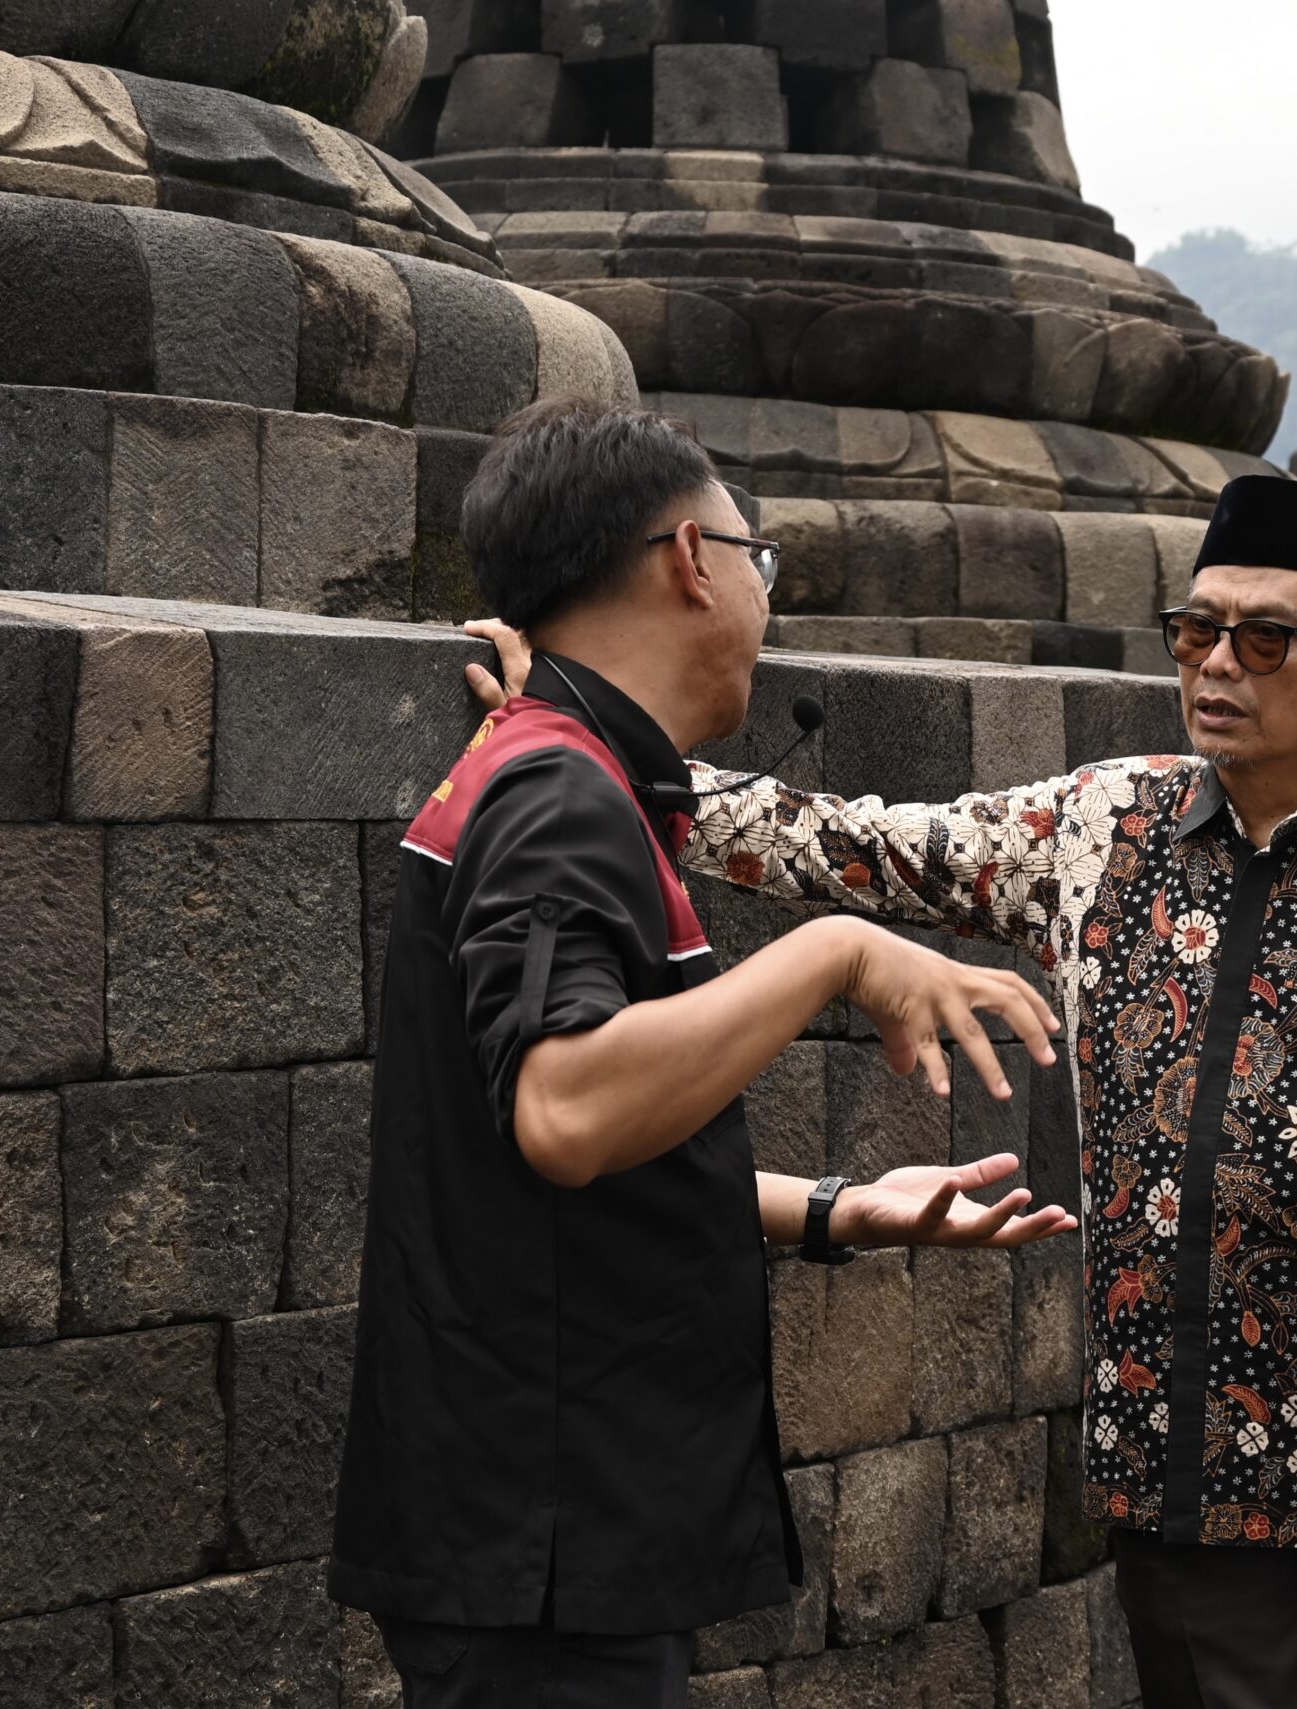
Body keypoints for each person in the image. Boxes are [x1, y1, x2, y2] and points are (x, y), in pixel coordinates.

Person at [474, 472, 1297, 1709]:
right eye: (1196, 630)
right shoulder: (1101, 825)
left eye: (1265, 639)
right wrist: (580, 723)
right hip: (1179, 1447)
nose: (1218, 665)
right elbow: (847, 843)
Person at [328, 402, 1078, 1707]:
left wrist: (848, 1211)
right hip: (546, 1525)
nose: (759, 591)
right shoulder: (559, 796)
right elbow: (566, 1109)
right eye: (757, 557)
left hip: (534, 1516)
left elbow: (578, 1157)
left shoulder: (559, 774)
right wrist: (832, 955)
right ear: (691, 560)